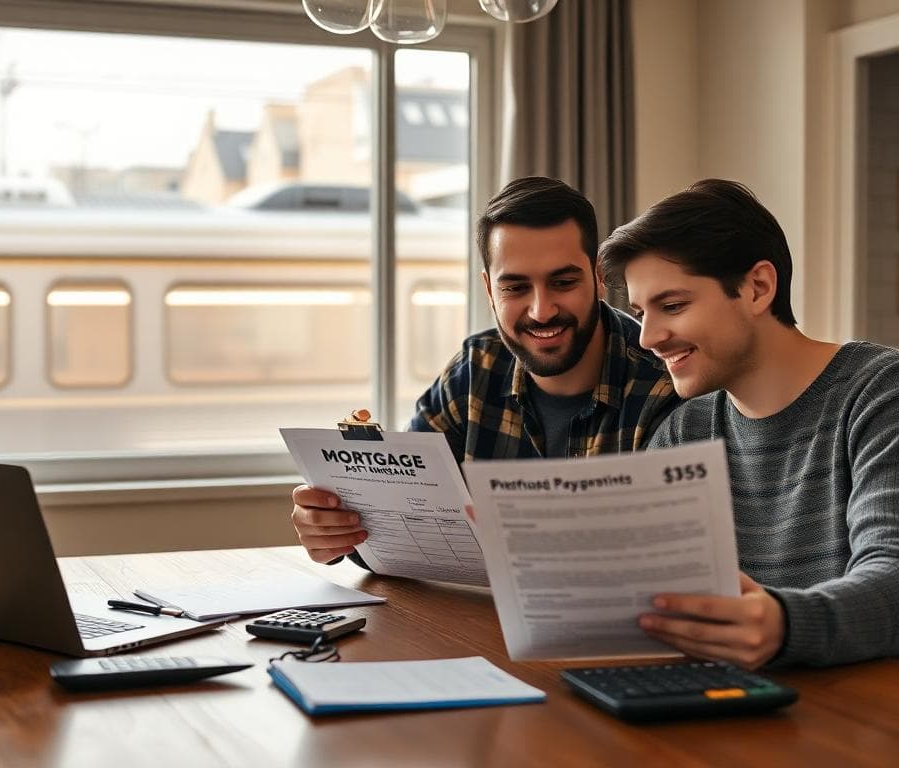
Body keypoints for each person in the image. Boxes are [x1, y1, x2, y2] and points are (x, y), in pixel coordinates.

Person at [597, 178, 899, 679]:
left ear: (758, 288)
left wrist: (781, 625)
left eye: (672, 307)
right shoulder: (685, 433)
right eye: (640, 313)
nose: (648, 337)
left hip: (894, 715)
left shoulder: (895, 393)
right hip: (748, 704)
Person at [291, 176, 679, 565]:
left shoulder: (663, 383)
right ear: (490, 290)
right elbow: (405, 518)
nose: (541, 311)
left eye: (563, 282)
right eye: (515, 288)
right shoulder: (475, 371)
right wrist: (337, 531)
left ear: (598, 277)